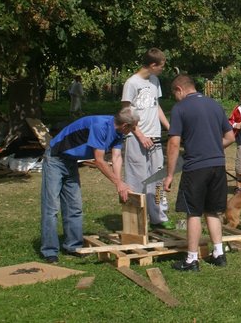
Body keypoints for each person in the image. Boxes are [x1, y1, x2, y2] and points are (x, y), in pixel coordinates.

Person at [40, 107, 139, 263]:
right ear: (126, 125)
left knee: (74, 206)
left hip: (71, 162)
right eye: (134, 127)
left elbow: (117, 156)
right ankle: (49, 251)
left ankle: (72, 246)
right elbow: (99, 160)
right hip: (55, 159)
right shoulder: (100, 126)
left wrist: (119, 183)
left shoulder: (119, 132)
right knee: (51, 207)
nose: (135, 130)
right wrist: (118, 183)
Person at [164, 74, 235, 271]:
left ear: (179, 89)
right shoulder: (215, 105)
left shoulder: (180, 108)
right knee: (212, 209)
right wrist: (213, 148)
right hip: (218, 166)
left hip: (196, 167)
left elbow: (174, 143)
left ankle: (192, 259)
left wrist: (169, 175)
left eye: (175, 94)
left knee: (193, 211)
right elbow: (230, 136)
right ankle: (219, 253)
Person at [121, 48, 173, 229]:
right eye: (161, 66)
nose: (162, 69)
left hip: (155, 137)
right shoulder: (131, 83)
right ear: (152, 65)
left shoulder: (154, 81)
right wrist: (139, 134)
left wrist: (169, 128)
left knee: (157, 179)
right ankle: (136, 219)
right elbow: (126, 112)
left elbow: (156, 107)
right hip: (136, 138)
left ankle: (159, 216)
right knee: (136, 178)